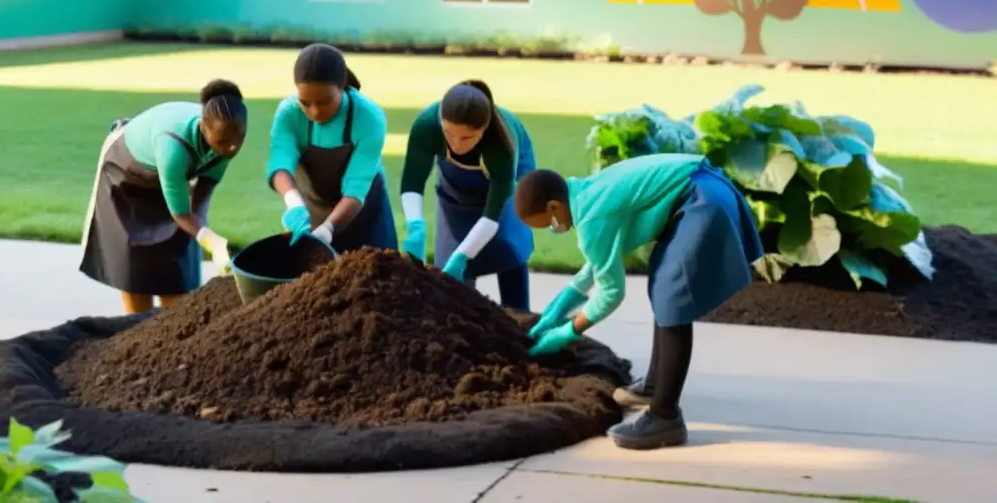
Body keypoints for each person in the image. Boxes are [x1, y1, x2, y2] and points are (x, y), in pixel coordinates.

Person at [512, 153, 764, 451]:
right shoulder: (585, 193)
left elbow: (611, 294)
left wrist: (568, 331)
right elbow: (598, 264)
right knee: (663, 287)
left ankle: (664, 417)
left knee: (672, 300)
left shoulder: (592, 216)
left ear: (554, 206)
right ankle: (655, 387)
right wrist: (557, 310)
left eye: (549, 224)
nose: (555, 229)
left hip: (702, 201)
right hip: (701, 188)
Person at [80, 80, 247, 314]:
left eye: (237, 140)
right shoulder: (173, 148)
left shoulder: (226, 135)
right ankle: (137, 334)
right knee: (136, 273)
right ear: (203, 127)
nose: (231, 149)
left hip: (169, 178)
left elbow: (203, 190)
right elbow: (180, 213)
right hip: (125, 178)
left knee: (177, 277)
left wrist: (206, 231)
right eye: (223, 143)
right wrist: (208, 237)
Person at [399, 80, 536, 310]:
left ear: (484, 129)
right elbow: (412, 180)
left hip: (503, 192)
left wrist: (462, 255)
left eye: (467, 138)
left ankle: (520, 317)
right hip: (455, 193)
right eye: (448, 133)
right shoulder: (427, 124)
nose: (456, 144)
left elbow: (493, 215)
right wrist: (415, 225)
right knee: (453, 281)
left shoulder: (502, 144)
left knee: (509, 250)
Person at [268, 43, 397, 254]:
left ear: (342, 87)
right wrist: (293, 203)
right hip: (312, 212)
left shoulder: (368, 117)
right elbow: (281, 164)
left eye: (325, 101)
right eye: (305, 102)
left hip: (364, 215)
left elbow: (356, 187)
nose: (315, 111)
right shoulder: (289, 114)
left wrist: (328, 228)